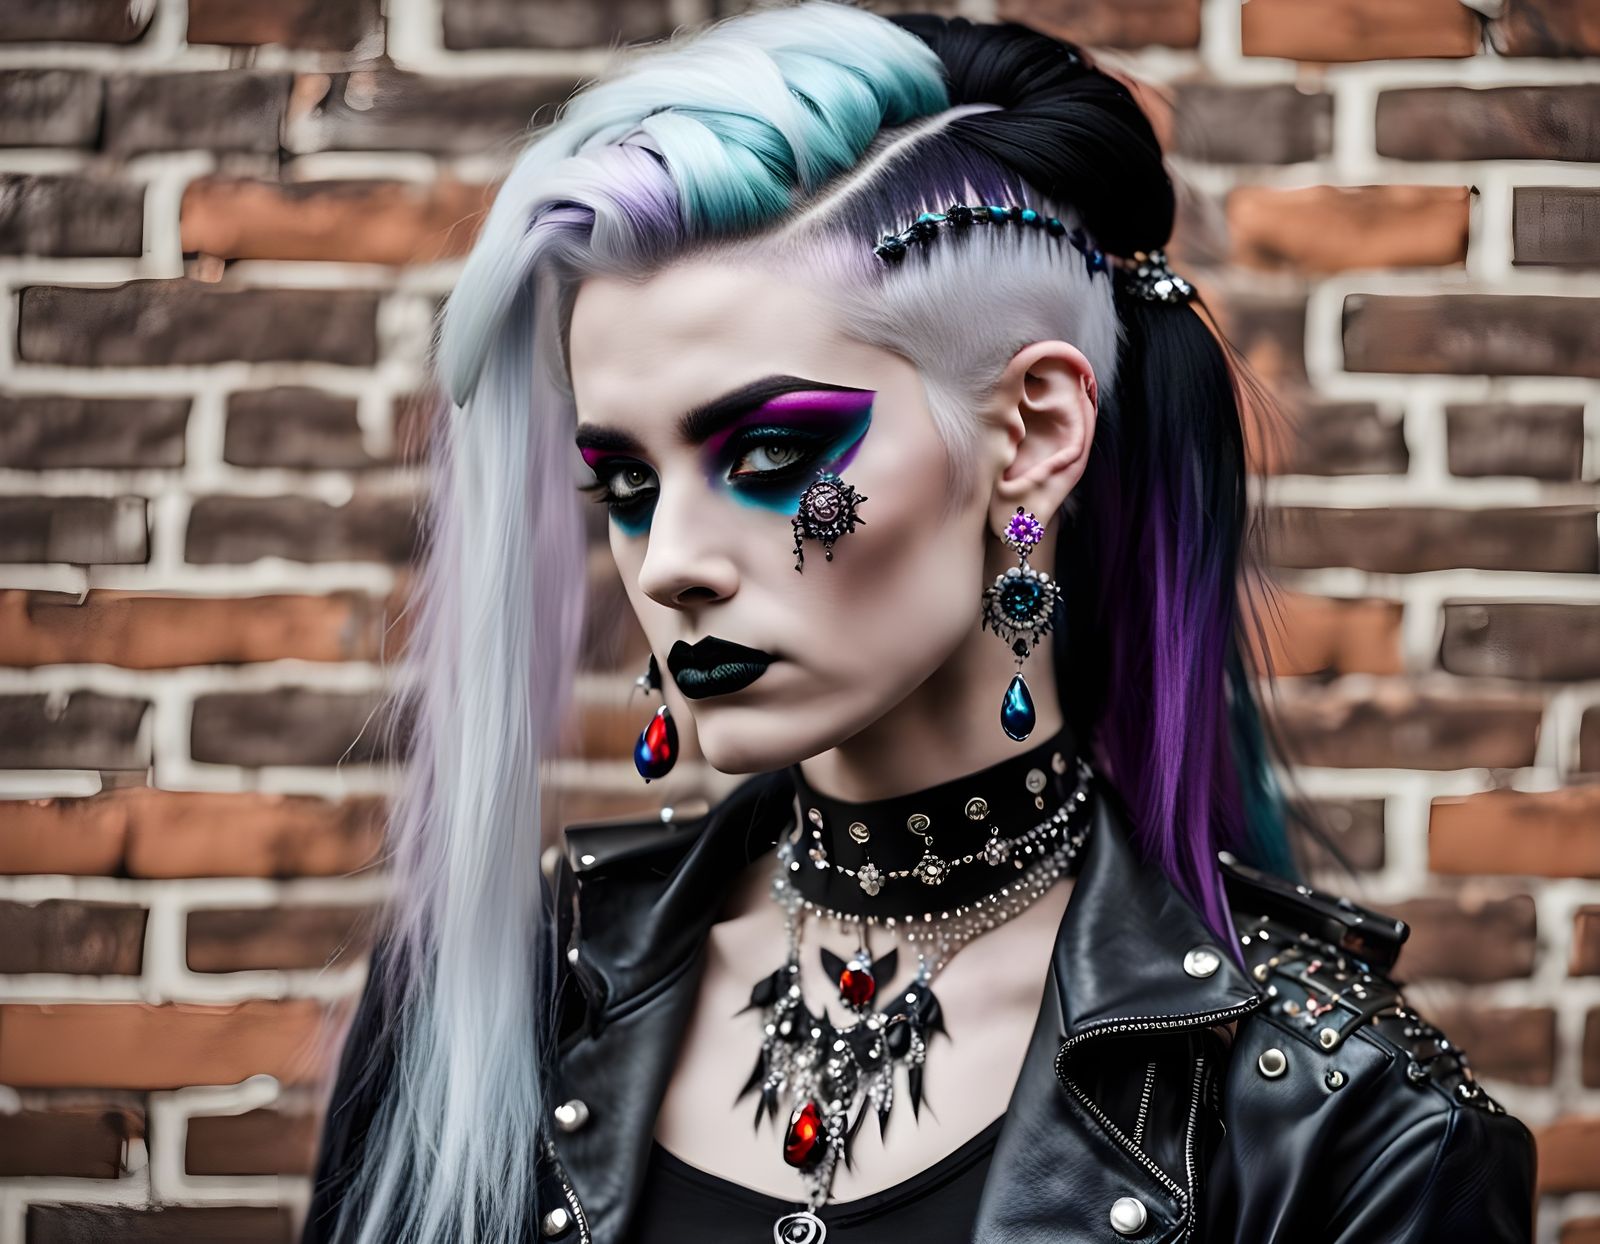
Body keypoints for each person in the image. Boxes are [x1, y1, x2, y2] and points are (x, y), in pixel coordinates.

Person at [300, 6, 1537, 1242]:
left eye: (772, 453)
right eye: (625, 482)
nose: (668, 562)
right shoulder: (490, 996)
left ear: (1033, 434)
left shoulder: (1350, 1121)